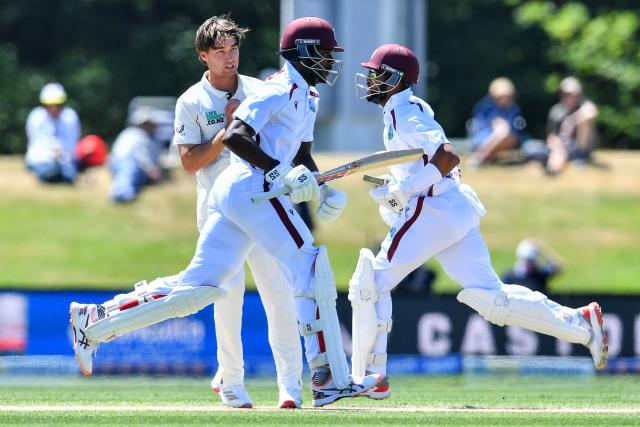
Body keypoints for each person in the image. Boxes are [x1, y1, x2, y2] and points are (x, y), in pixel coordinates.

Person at [69, 16, 379, 408]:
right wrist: (281, 172)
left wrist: (321, 186)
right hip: (253, 193)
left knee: (195, 290)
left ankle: (94, 321)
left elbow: (299, 153)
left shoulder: (306, 97)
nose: (330, 62)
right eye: (325, 54)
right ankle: (328, 380)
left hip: (241, 193)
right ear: (303, 53)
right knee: (310, 267)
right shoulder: (277, 89)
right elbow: (235, 137)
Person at [349, 43, 608, 400]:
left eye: (378, 73)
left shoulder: (404, 113)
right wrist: (396, 189)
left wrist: (405, 190)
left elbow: (448, 157)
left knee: (370, 283)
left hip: (436, 210)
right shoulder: (406, 109)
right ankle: (582, 327)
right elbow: (427, 162)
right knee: (492, 299)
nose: (371, 79)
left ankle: (370, 377)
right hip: (452, 209)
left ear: (394, 79)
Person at [172, 15, 303, 409]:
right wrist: (226, 132)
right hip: (218, 211)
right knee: (226, 297)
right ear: (203, 56)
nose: (229, 59)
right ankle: (231, 381)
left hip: (262, 204)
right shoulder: (191, 101)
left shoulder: (261, 90)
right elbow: (190, 163)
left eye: (234, 49)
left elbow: (281, 140)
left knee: (279, 294)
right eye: (220, 52)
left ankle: (290, 387)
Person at [25, 82, 81, 183]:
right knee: (47, 171)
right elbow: (37, 144)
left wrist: (63, 154)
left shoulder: (70, 117)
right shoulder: (36, 117)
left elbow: (72, 143)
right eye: (50, 105)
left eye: (57, 105)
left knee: (69, 173)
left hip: (66, 161)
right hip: (42, 160)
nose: (54, 108)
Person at [467, 77, 526, 167]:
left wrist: (505, 127)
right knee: (501, 132)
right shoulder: (485, 107)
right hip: (484, 137)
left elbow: (517, 129)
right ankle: (482, 158)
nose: (506, 98)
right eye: (502, 96)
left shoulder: (513, 109)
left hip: (508, 138)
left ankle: (480, 158)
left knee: (503, 132)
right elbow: (477, 127)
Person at [109, 108, 165, 203]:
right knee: (129, 171)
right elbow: (139, 154)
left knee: (133, 175)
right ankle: (121, 194)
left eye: (149, 123)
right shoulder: (135, 134)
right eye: (146, 123)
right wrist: (151, 169)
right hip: (126, 161)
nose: (148, 126)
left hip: (127, 164)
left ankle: (124, 192)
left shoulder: (151, 139)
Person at [546, 76, 598, 174]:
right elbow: (552, 136)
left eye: (573, 94)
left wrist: (571, 120)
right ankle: (554, 169)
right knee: (558, 152)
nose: (570, 97)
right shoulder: (556, 111)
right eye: (567, 94)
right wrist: (557, 145)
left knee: (584, 121)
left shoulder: (585, 106)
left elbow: (592, 112)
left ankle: (581, 156)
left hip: (582, 146)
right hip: (564, 146)